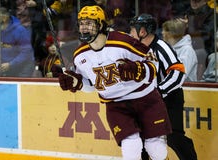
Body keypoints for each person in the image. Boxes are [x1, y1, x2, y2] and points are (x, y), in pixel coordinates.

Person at [58, 5, 172, 160]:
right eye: (82, 23)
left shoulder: (123, 42)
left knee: (156, 149)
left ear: (101, 25)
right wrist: (75, 82)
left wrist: (139, 70)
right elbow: (90, 87)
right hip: (116, 105)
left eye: (89, 23)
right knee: (131, 148)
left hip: (146, 99)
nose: (84, 27)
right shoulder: (80, 55)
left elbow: (153, 64)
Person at [129, 13, 197, 160]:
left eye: (133, 30)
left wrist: (159, 90)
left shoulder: (161, 47)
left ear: (143, 32)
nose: (130, 34)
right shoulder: (136, 49)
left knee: (174, 138)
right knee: (142, 137)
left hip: (170, 98)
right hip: (147, 100)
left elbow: (178, 73)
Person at [0, 7, 35, 77]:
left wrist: (11, 64)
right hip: (5, 66)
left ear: (4, 19)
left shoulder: (20, 30)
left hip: (23, 66)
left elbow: (26, 52)